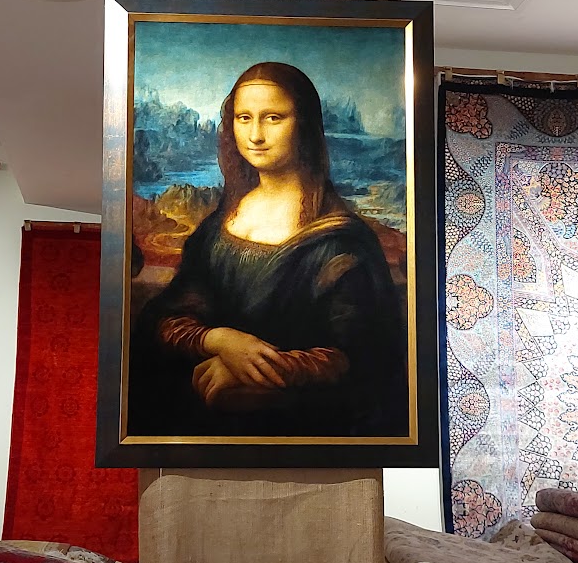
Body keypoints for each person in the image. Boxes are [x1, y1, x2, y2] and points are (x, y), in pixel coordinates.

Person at [128, 62, 407, 438]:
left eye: (273, 118)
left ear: (303, 125)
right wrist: (220, 340)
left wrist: (250, 370)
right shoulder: (219, 225)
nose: (255, 135)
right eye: (244, 118)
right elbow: (167, 316)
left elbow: (361, 359)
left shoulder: (342, 242)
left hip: (304, 435)